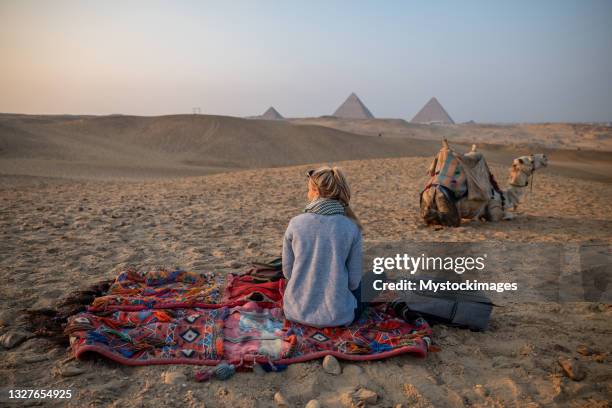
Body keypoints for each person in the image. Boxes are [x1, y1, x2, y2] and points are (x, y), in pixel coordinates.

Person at [282, 166, 363, 328]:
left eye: (308, 191)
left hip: (295, 312)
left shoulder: (296, 223)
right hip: (338, 317)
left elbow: (288, 273)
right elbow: (354, 283)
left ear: (316, 192)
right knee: (378, 275)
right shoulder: (351, 227)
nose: (307, 194)